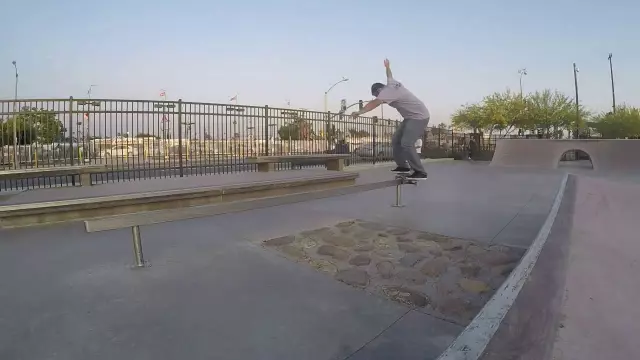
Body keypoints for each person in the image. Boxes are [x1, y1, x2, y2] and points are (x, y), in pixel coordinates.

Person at [351, 59, 430, 179]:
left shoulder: (386, 92)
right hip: (410, 117)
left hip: (419, 117)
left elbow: (373, 104)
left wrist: (359, 112)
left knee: (407, 143)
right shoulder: (391, 83)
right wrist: (387, 66)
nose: (379, 98)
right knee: (396, 141)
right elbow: (389, 74)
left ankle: (420, 172)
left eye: (377, 95)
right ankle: (403, 166)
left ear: (378, 91)